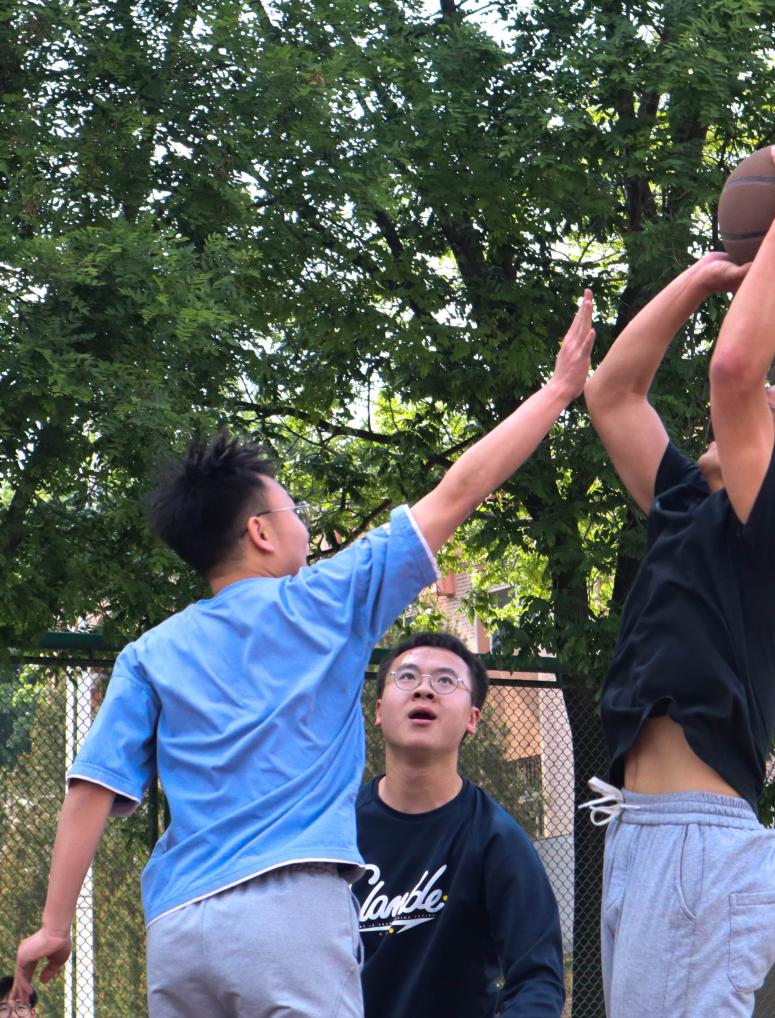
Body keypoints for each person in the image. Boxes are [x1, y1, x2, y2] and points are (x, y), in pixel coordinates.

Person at [12, 297, 594, 1016]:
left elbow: (90, 788)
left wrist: (54, 924)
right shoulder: (325, 602)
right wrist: (558, 391)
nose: (305, 525)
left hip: (178, 925)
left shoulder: (150, 652)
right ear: (261, 532)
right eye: (295, 511)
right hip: (289, 910)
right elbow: (460, 489)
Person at [582, 142, 775, 1017]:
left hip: (696, 847)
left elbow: (731, 369)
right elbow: (612, 395)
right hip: (644, 837)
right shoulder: (689, 506)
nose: (726, 409)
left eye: (765, 404)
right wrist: (702, 277)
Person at [353, 631, 564, 1018]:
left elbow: (537, 979)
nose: (424, 690)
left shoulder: (497, 839)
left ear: (472, 718)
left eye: (446, 680)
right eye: (407, 676)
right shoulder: (334, 831)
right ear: (379, 710)